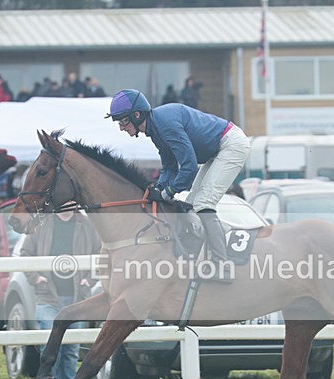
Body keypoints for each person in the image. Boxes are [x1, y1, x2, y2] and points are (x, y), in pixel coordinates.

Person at [106, 89, 251, 280]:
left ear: (137, 114)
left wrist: (168, 193)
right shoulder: (155, 129)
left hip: (231, 145)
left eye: (123, 121)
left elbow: (189, 167)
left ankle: (222, 266)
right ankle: (200, 257)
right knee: (191, 205)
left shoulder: (164, 123)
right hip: (216, 150)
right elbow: (169, 166)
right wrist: (157, 188)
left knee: (204, 204)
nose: (122, 128)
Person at [20, 210, 101, 379]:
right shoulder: (40, 223)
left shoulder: (88, 224)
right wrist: (37, 278)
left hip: (77, 298)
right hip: (48, 295)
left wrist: (89, 280)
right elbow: (25, 254)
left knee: (71, 347)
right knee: (49, 342)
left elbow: (101, 255)